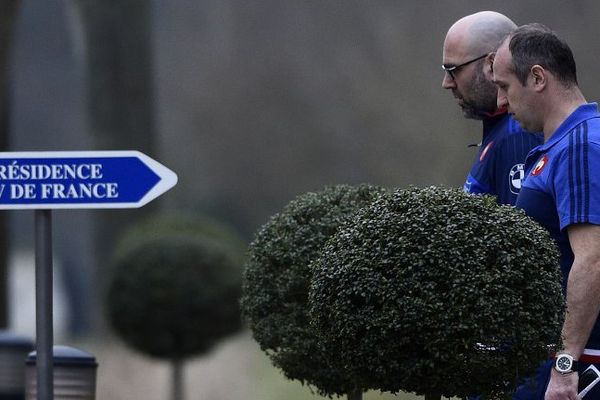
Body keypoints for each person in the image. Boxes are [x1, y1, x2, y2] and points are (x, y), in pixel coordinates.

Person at [494, 23, 600, 399]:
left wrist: (566, 364)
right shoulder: (561, 145)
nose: (500, 103)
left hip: (578, 365)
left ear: (537, 78)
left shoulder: (581, 144)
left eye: (505, 86)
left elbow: (593, 259)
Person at [442, 11, 542, 205]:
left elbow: (526, 233)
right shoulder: (501, 129)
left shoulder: (519, 135)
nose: (446, 83)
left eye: (454, 70)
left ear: (492, 63)